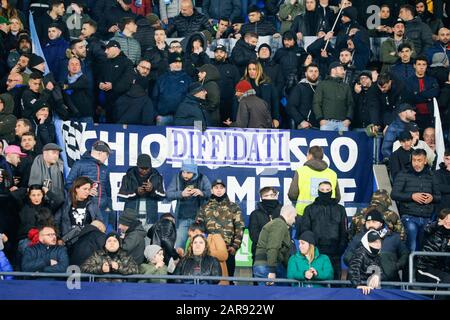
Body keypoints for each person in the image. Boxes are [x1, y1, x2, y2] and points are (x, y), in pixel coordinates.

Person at [391, 148, 441, 252]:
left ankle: (420, 268)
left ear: (425, 161)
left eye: (419, 160)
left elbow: (438, 196)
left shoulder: (432, 176)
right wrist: (412, 196)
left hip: (427, 218)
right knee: (412, 245)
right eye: (414, 160)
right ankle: (409, 268)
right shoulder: (403, 174)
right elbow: (394, 194)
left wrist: (432, 198)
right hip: (409, 216)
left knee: (425, 247)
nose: (416, 163)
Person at [298, 181, 348, 280]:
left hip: (335, 254)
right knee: (317, 281)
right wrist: (312, 250)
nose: (325, 192)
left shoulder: (340, 209)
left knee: (335, 283)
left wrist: (340, 249)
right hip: (316, 254)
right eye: (322, 190)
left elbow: (344, 231)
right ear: (318, 191)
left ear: (331, 191)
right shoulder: (309, 209)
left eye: (327, 190)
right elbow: (305, 231)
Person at [196, 179, 244, 277]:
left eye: (221, 188)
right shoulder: (204, 207)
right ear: (212, 190)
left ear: (225, 189)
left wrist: (235, 247)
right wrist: (202, 247)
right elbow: (199, 228)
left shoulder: (233, 207)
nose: (219, 190)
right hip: (209, 250)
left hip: (227, 249)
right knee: (208, 279)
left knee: (228, 280)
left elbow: (239, 228)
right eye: (216, 188)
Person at [344, 209, 409, 282]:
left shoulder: (393, 237)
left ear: (381, 223)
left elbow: (405, 254)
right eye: (368, 222)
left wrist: (396, 266)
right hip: (362, 282)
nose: (370, 224)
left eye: (374, 222)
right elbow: (347, 256)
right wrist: (361, 268)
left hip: (389, 282)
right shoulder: (358, 237)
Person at [65, 140, 112, 226]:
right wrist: (86, 191)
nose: (107, 158)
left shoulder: (105, 168)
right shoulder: (79, 164)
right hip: (85, 208)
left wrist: (109, 206)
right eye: (107, 155)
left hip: (102, 210)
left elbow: (108, 189)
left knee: (101, 235)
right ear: (100, 153)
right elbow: (68, 184)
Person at [166, 159, 211, 249]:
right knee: (178, 248)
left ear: (194, 171)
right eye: (183, 172)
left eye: (189, 172)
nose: (185, 175)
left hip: (198, 220)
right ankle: (179, 263)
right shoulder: (177, 178)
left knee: (199, 248)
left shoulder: (202, 178)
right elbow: (168, 194)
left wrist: (201, 192)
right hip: (182, 219)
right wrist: (181, 194)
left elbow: (211, 193)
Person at [288, 145, 340, 215]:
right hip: (327, 214)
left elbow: (292, 195)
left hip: (303, 213)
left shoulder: (301, 171)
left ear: (309, 156)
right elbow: (337, 197)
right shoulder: (332, 174)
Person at [253, 205, 297, 285]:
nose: (294, 220)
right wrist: (272, 271)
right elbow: (273, 247)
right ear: (289, 214)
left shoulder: (276, 224)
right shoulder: (279, 224)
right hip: (268, 266)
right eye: (294, 217)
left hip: (263, 265)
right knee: (282, 294)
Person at [118, 154, 165, 227]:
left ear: (151, 166)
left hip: (150, 218)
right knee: (132, 238)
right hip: (131, 219)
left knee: (149, 238)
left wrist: (152, 190)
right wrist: (136, 192)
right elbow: (121, 196)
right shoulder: (128, 177)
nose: (144, 171)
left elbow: (162, 196)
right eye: (142, 168)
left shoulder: (157, 177)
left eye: (147, 168)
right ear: (137, 165)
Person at [17, 186, 63, 253]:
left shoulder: (47, 206)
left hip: (45, 237)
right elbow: (12, 196)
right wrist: (25, 189)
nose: (36, 198)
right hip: (27, 239)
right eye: (33, 195)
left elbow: (59, 200)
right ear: (29, 196)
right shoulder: (23, 206)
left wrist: (47, 192)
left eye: (39, 195)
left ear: (42, 195)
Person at [152, 52, 192, 126]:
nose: (178, 64)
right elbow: (154, 98)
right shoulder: (161, 79)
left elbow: (192, 98)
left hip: (182, 118)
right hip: (163, 118)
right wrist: (156, 115)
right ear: (170, 64)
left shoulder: (187, 79)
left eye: (180, 62)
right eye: (175, 62)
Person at [99, 40, 134, 123]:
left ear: (116, 48)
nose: (105, 51)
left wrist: (112, 86)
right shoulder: (105, 62)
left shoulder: (127, 62)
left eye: (108, 49)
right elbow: (100, 76)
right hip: (106, 105)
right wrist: (100, 83)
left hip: (122, 105)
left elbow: (127, 81)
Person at [313, 62, 354, 131]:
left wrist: (348, 119)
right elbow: (316, 103)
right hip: (326, 123)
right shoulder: (322, 85)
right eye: (341, 69)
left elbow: (350, 104)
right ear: (333, 70)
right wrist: (320, 119)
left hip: (343, 124)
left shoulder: (346, 86)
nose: (344, 72)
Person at [405, 56, 440, 130]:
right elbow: (410, 98)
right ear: (414, 66)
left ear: (426, 66)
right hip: (415, 115)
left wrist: (417, 94)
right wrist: (427, 97)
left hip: (430, 114)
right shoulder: (408, 81)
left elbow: (435, 93)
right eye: (419, 64)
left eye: (424, 64)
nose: (421, 67)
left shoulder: (432, 80)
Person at [416, 208, 450, 284]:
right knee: (446, 279)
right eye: (446, 219)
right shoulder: (434, 230)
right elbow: (427, 229)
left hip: (442, 270)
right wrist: (438, 224)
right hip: (425, 267)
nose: (448, 221)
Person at [242, 61, 280, 127]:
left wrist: (275, 118)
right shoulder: (243, 84)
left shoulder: (268, 83)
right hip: (247, 120)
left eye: (254, 69)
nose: (251, 71)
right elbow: (236, 102)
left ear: (259, 70)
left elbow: (275, 101)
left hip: (265, 119)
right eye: (249, 69)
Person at [248, 187, 282, 262]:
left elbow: (286, 232)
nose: (270, 198)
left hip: (280, 254)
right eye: (266, 196)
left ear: (276, 196)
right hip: (260, 254)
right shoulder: (255, 214)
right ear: (261, 198)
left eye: (272, 195)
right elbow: (254, 235)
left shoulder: (282, 212)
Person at [348, 230, 384, 295]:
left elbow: (380, 269)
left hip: (369, 289)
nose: (378, 244)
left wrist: (377, 275)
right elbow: (353, 269)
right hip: (358, 291)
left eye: (379, 241)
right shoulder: (360, 252)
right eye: (374, 242)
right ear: (367, 243)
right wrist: (358, 285)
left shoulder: (377, 255)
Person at [212, 44, 240, 123]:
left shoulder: (232, 68)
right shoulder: (210, 67)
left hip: (228, 106)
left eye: (221, 52)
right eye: (216, 52)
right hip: (212, 105)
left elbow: (238, 86)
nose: (218, 54)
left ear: (226, 54)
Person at [286, 63, 320, 129]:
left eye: (316, 71)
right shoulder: (299, 87)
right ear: (306, 74)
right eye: (311, 71)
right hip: (305, 126)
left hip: (320, 126)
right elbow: (290, 106)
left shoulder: (321, 88)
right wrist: (301, 121)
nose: (314, 73)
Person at [63, 57, 95, 124]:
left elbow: (77, 85)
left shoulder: (84, 79)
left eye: (77, 64)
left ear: (80, 67)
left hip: (85, 116)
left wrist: (67, 86)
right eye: (72, 64)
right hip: (72, 116)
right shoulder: (65, 81)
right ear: (68, 67)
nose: (74, 66)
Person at [435, 148, 450, 214]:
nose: (449, 162)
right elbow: (438, 187)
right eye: (447, 159)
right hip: (443, 212)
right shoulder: (436, 173)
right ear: (443, 158)